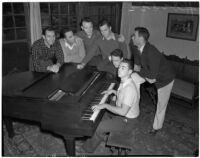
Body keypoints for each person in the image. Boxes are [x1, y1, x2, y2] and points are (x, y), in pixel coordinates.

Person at [82, 59, 140, 153]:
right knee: (100, 115)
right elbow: (122, 93)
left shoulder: (130, 89)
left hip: (127, 120)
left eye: (123, 68)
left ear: (129, 72)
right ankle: (101, 135)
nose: (119, 70)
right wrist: (113, 92)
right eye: (119, 67)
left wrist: (105, 105)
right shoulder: (124, 81)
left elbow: (123, 112)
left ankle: (87, 149)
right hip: (123, 113)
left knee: (99, 126)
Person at [131, 27, 175, 135]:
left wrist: (139, 70)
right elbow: (136, 64)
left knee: (161, 105)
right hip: (149, 73)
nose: (132, 37)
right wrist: (136, 69)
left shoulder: (152, 52)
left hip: (165, 78)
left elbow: (152, 77)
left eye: (134, 36)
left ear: (141, 39)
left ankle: (156, 127)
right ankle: (132, 106)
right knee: (132, 78)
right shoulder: (135, 46)